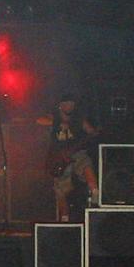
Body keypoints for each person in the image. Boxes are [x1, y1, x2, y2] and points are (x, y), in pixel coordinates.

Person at [38, 94, 100, 222]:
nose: (69, 106)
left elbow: (91, 131)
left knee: (85, 163)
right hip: (58, 156)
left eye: (72, 104)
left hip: (76, 153)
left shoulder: (79, 119)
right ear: (60, 106)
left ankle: (95, 193)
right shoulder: (54, 117)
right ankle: (65, 219)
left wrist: (94, 132)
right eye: (67, 104)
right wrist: (59, 124)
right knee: (60, 189)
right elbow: (39, 120)